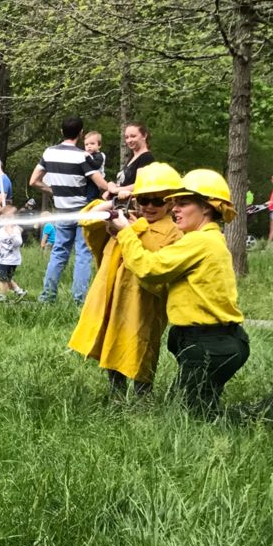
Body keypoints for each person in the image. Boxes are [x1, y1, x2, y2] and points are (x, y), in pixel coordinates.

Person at [109, 168, 273, 420]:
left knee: (193, 419)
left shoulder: (198, 242)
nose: (174, 208)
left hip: (209, 345)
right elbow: (163, 285)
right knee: (186, 407)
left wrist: (125, 233)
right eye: (174, 203)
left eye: (183, 203)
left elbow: (149, 268)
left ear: (208, 208)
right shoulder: (206, 241)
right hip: (213, 343)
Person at [69, 163, 184, 398]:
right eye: (143, 200)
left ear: (171, 203)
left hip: (143, 304)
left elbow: (157, 267)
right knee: (112, 342)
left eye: (158, 201)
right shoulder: (124, 218)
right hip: (112, 296)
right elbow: (87, 218)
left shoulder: (174, 233)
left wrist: (128, 230)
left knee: (141, 346)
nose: (149, 206)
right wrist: (114, 203)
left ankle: (143, 398)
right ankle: (116, 397)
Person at [30, 116, 103, 304]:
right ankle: (79, 300)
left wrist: (53, 191)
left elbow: (34, 181)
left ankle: (47, 297)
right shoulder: (81, 156)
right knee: (83, 255)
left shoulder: (49, 153)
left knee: (58, 252)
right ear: (81, 133)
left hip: (61, 211)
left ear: (62, 132)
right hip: (82, 211)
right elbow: (99, 183)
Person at [0, 203, 26, 301]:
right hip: (4, 258)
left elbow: (18, 243)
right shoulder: (1, 230)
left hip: (12, 260)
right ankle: (19, 291)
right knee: (7, 278)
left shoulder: (15, 230)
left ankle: (2, 297)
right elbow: (1, 243)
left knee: (2, 278)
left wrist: (11, 232)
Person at [110, 122, 155, 196]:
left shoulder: (146, 157)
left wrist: (115, 190)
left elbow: (140, 184)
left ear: (144, 136)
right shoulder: (132, 158)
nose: (129, 140)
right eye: (126, 137)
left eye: (133, 136)